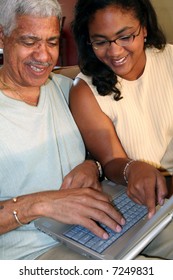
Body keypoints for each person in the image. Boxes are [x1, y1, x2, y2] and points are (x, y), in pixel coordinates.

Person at [0, 0, 126, 260]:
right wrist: (38, 204)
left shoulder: (65, 88)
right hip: (32, 253)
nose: (44, 56)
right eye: (29, 41)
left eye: (52, 42)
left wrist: (93, 166)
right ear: (2, 36)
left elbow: (97, 154)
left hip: (94, 228)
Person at [70, 0, 173, 259]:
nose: (114, 51)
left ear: (144, 28)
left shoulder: (170, 60)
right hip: (145, 203)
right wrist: (133, 169)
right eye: (101, 41)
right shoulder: (84, 90)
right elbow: (112, 161)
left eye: (125, 36)